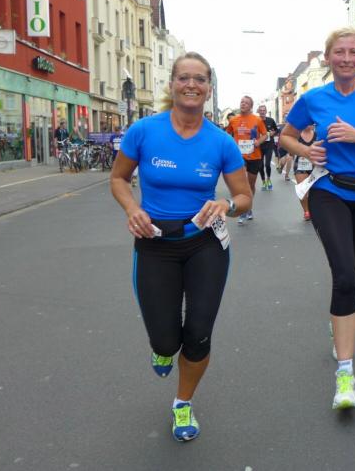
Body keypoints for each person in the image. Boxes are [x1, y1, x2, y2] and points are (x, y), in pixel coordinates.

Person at [109, 51, 252, 442]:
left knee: (199, 333)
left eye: (200, 79)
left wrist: (226, 205)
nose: (192, 85)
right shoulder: (143, 131)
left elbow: (244, 197)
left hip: (205, 244)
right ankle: (162, 347)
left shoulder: (221, 142)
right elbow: (119, 179)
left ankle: (183, 402)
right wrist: (132, 208)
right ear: (171, 84)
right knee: (165, 339)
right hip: (154, 244)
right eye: (184, 77)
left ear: (209, 88)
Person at [279, 27, 355, 410]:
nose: (347, 58)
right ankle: (345, 374)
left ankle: (340, 320)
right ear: (329, 58)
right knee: (346, 276)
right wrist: (306, 151)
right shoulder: (313, 98)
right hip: (329, 191)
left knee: (352, 274)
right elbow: (285, 137)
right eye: (339, 52)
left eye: (353, 52)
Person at [225, 96, 267, 224]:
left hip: (254, 156)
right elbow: (227, 134)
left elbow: (265, 135)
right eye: (242, 102)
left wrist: (258, 142)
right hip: (239, 156)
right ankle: (242, 210)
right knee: (242, 184)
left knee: (250, 185)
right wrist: (232, 144)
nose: (243, 104)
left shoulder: (257, 120)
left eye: (246, 103)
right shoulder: (234, 120)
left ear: (251, 106)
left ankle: (248, 206)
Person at [293, 124, 316, 220]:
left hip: (315, 166)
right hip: (300, 165)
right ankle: (306, 211)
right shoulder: (297, 135)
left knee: (314, 191)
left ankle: (313, 209)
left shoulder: (317, 135)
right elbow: (291, 149)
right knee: (302, 189)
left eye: (311, 123)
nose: (308, 125)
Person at [257, 104, 278, 191]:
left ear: (266, 111)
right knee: (260, 165)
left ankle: (268, 179)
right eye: (261, 110)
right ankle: (263, 181)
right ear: (258, 111)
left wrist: (273, 133)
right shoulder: (256, 121)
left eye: (263, 110)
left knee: (267, 164)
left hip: (269, 145)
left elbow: (276, 130)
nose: (262, 112)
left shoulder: (270, 120)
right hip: (259, 146)